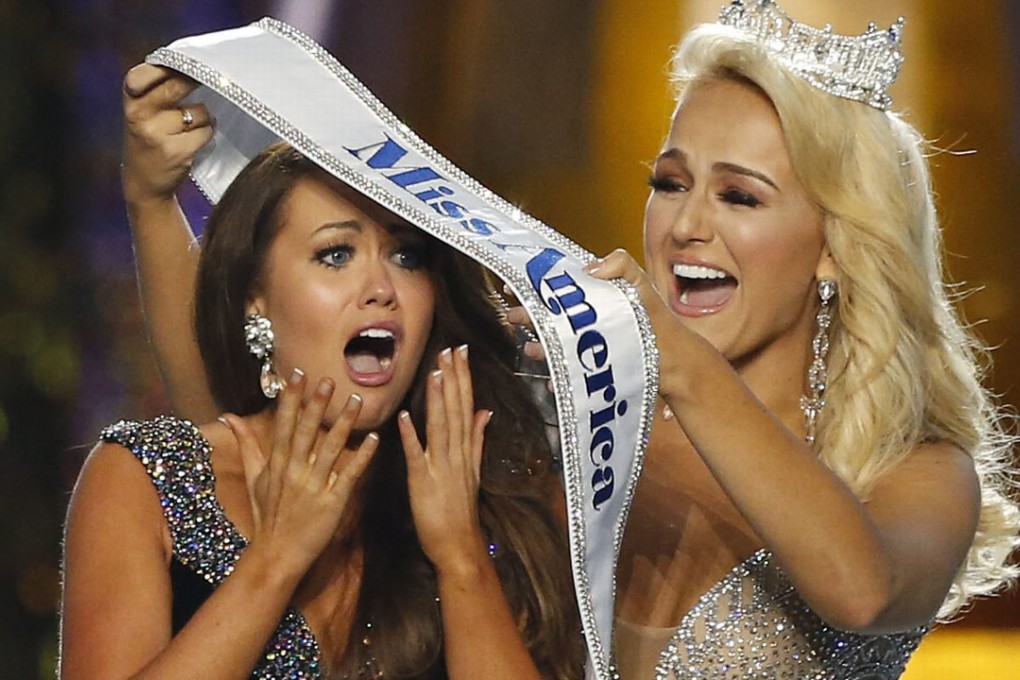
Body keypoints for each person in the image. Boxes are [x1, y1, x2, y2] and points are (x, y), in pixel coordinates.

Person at [60, 64, 584, 679]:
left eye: (406, 255)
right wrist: (276, 559)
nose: (381, 288)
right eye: (336, 254)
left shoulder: (497, 496)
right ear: (255, 296)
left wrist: (460, 555)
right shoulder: (148, 479)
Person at [561, 2, 1019, 677]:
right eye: (670, 183)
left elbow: (862, 592)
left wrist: (682, 367)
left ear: (834, 244)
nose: (686, 223)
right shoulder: (583, 432)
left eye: (739, 197)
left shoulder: (916, 475)